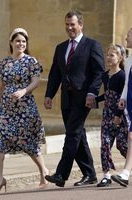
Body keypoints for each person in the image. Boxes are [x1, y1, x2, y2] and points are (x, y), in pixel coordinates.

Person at [44, 10, 105, 187]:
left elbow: (98, 72)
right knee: (78, 135)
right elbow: (55, 74)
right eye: (67, 24)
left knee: (72, 133)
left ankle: (61, 174)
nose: (69, 27)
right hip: (66, 98)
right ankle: (90, 174)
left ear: (80, 25)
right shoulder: (61, 47)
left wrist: (92, 93)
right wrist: (49, 95)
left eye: (72, 24)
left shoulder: (92, 45)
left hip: (84, 98)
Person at [0, 28, 49, 195]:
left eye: (23, 41)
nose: (21, 43)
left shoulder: (31, 62)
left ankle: (43, 170)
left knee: (28, 142)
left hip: (25, 109)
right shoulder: (3, 63)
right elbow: (1, 87)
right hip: (5, 110)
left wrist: (23, 91)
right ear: (11, 42)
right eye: (18, 41)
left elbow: (36, 82)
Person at [96, 44, 128, 187]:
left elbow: (123, 96)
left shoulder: (122, 76)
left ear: (120, 58)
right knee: (105, 144)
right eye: (107, 55)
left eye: (112, 55)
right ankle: (106, 175)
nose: (108, 58)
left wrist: (118, 115)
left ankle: (129, 167)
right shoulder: (105, 75)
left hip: (120, 116)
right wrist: (95, 100)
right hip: (107, 115)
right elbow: (107, 94)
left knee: (122, 145)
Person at [111, 27, 132, 187]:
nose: (126, 40)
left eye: (129, 36)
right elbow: (127, 83)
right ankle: (125, 173)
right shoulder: (130, 59)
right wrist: (123, 99)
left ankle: (125, 173)